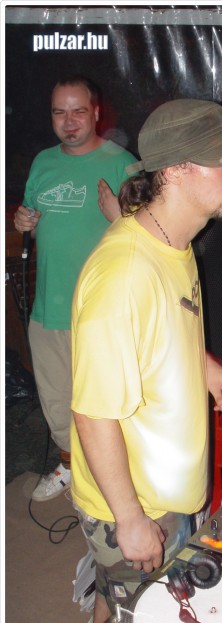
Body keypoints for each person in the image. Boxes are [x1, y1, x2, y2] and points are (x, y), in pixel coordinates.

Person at [70, 98, 222, 623]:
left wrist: (203, 364)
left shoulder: (173, 240)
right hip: (136, 502)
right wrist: (130, 519)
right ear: (175, 171)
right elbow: (93, 414)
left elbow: (161, 327)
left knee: (122, 606)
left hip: (166, 490)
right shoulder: (124, 275)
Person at [13, 75, 137, 502]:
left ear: (96, 113)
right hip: (49, 309)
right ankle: (70, 465)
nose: (69, 122)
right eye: (59, 112)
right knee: (56, 401)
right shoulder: (43, 162)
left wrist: (120, 216)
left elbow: (153, 234)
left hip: (104, 312)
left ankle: (115, 483)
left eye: (78, 111)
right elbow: (34, 218)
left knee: (108, 404)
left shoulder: (123, 163)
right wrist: (24, 222)